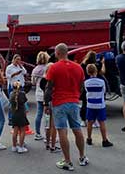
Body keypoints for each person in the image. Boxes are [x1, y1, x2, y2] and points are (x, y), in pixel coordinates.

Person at [44, 43, 89, 171]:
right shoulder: (78, 67)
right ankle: (82, 157)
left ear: (57, 53)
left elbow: (49, 87)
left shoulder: (54, 68)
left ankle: (68, 161)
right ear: (67, 52)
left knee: (62, 131)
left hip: (59, 103)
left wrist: (46, 103)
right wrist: (76, 96)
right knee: (77, 129)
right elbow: (81, 86)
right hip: (74, 102)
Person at [84, 64, 113, 147]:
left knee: (89, 122)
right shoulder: (101, 81)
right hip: (100, 104)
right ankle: (104, 140)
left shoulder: (86, 82)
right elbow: (104, 91)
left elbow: (86, 91)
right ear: (96, 71)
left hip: (90, 104)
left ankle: (89, 138)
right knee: (102, 122)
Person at [80, 51, 105, 127]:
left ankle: (83, 120)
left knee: (85, 103)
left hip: (85, 85)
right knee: (95, 104)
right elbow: (103, 72)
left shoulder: (83, 65)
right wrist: (103, 63)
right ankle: (94, 120)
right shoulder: (97, 65)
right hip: (95, 85)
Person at [41, 62, 61, 153]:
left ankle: (47, 144)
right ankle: (53, 146)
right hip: (54, 102)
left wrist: (45, 104)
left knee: (47, 124)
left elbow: (44, 91)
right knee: (53, 125)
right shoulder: (54, 79)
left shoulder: (43, 79)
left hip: (46, 102)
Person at [31, 51, 50, 140]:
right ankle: (48, 134)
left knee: (39, 113)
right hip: (47, 93)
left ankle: (37, 133)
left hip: (38, 93)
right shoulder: (48, 67)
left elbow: (33, 83)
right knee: (48, 114)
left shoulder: (35, 69)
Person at [5, 54, 27, 125]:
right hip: (12, 86)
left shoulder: (20, 66)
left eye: (19, 59)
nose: (18, 61)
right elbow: (7, 76)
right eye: (17, 59)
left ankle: (20, 117)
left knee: (21, 102)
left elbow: (25, 72)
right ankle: (10, 118)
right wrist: (14, 74)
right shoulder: (9, 67)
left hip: (20, 86)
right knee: (12, 103)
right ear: (14, 60)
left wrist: (21, 66)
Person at [9, 81, 29, 153]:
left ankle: (14, 146)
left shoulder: (11, 94)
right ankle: (21, 147)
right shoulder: (22, 94)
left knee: (15, 131)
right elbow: (25, 101)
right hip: (21, 114)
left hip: (14, 114)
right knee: (22, 131)